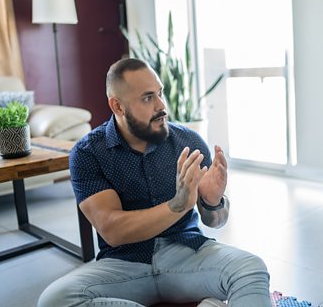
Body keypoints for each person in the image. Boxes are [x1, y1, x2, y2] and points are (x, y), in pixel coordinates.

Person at [38, 58, 272, 307]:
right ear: (117, 106)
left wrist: (213, 203)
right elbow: (114, 231)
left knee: (251, 268)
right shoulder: (88, 153)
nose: (161, 105)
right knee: (54, 300)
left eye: (159, 93)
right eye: (148, 98)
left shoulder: (188, 141)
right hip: (124, 264)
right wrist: (177, 205)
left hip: (186, 254)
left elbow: (215, 221)